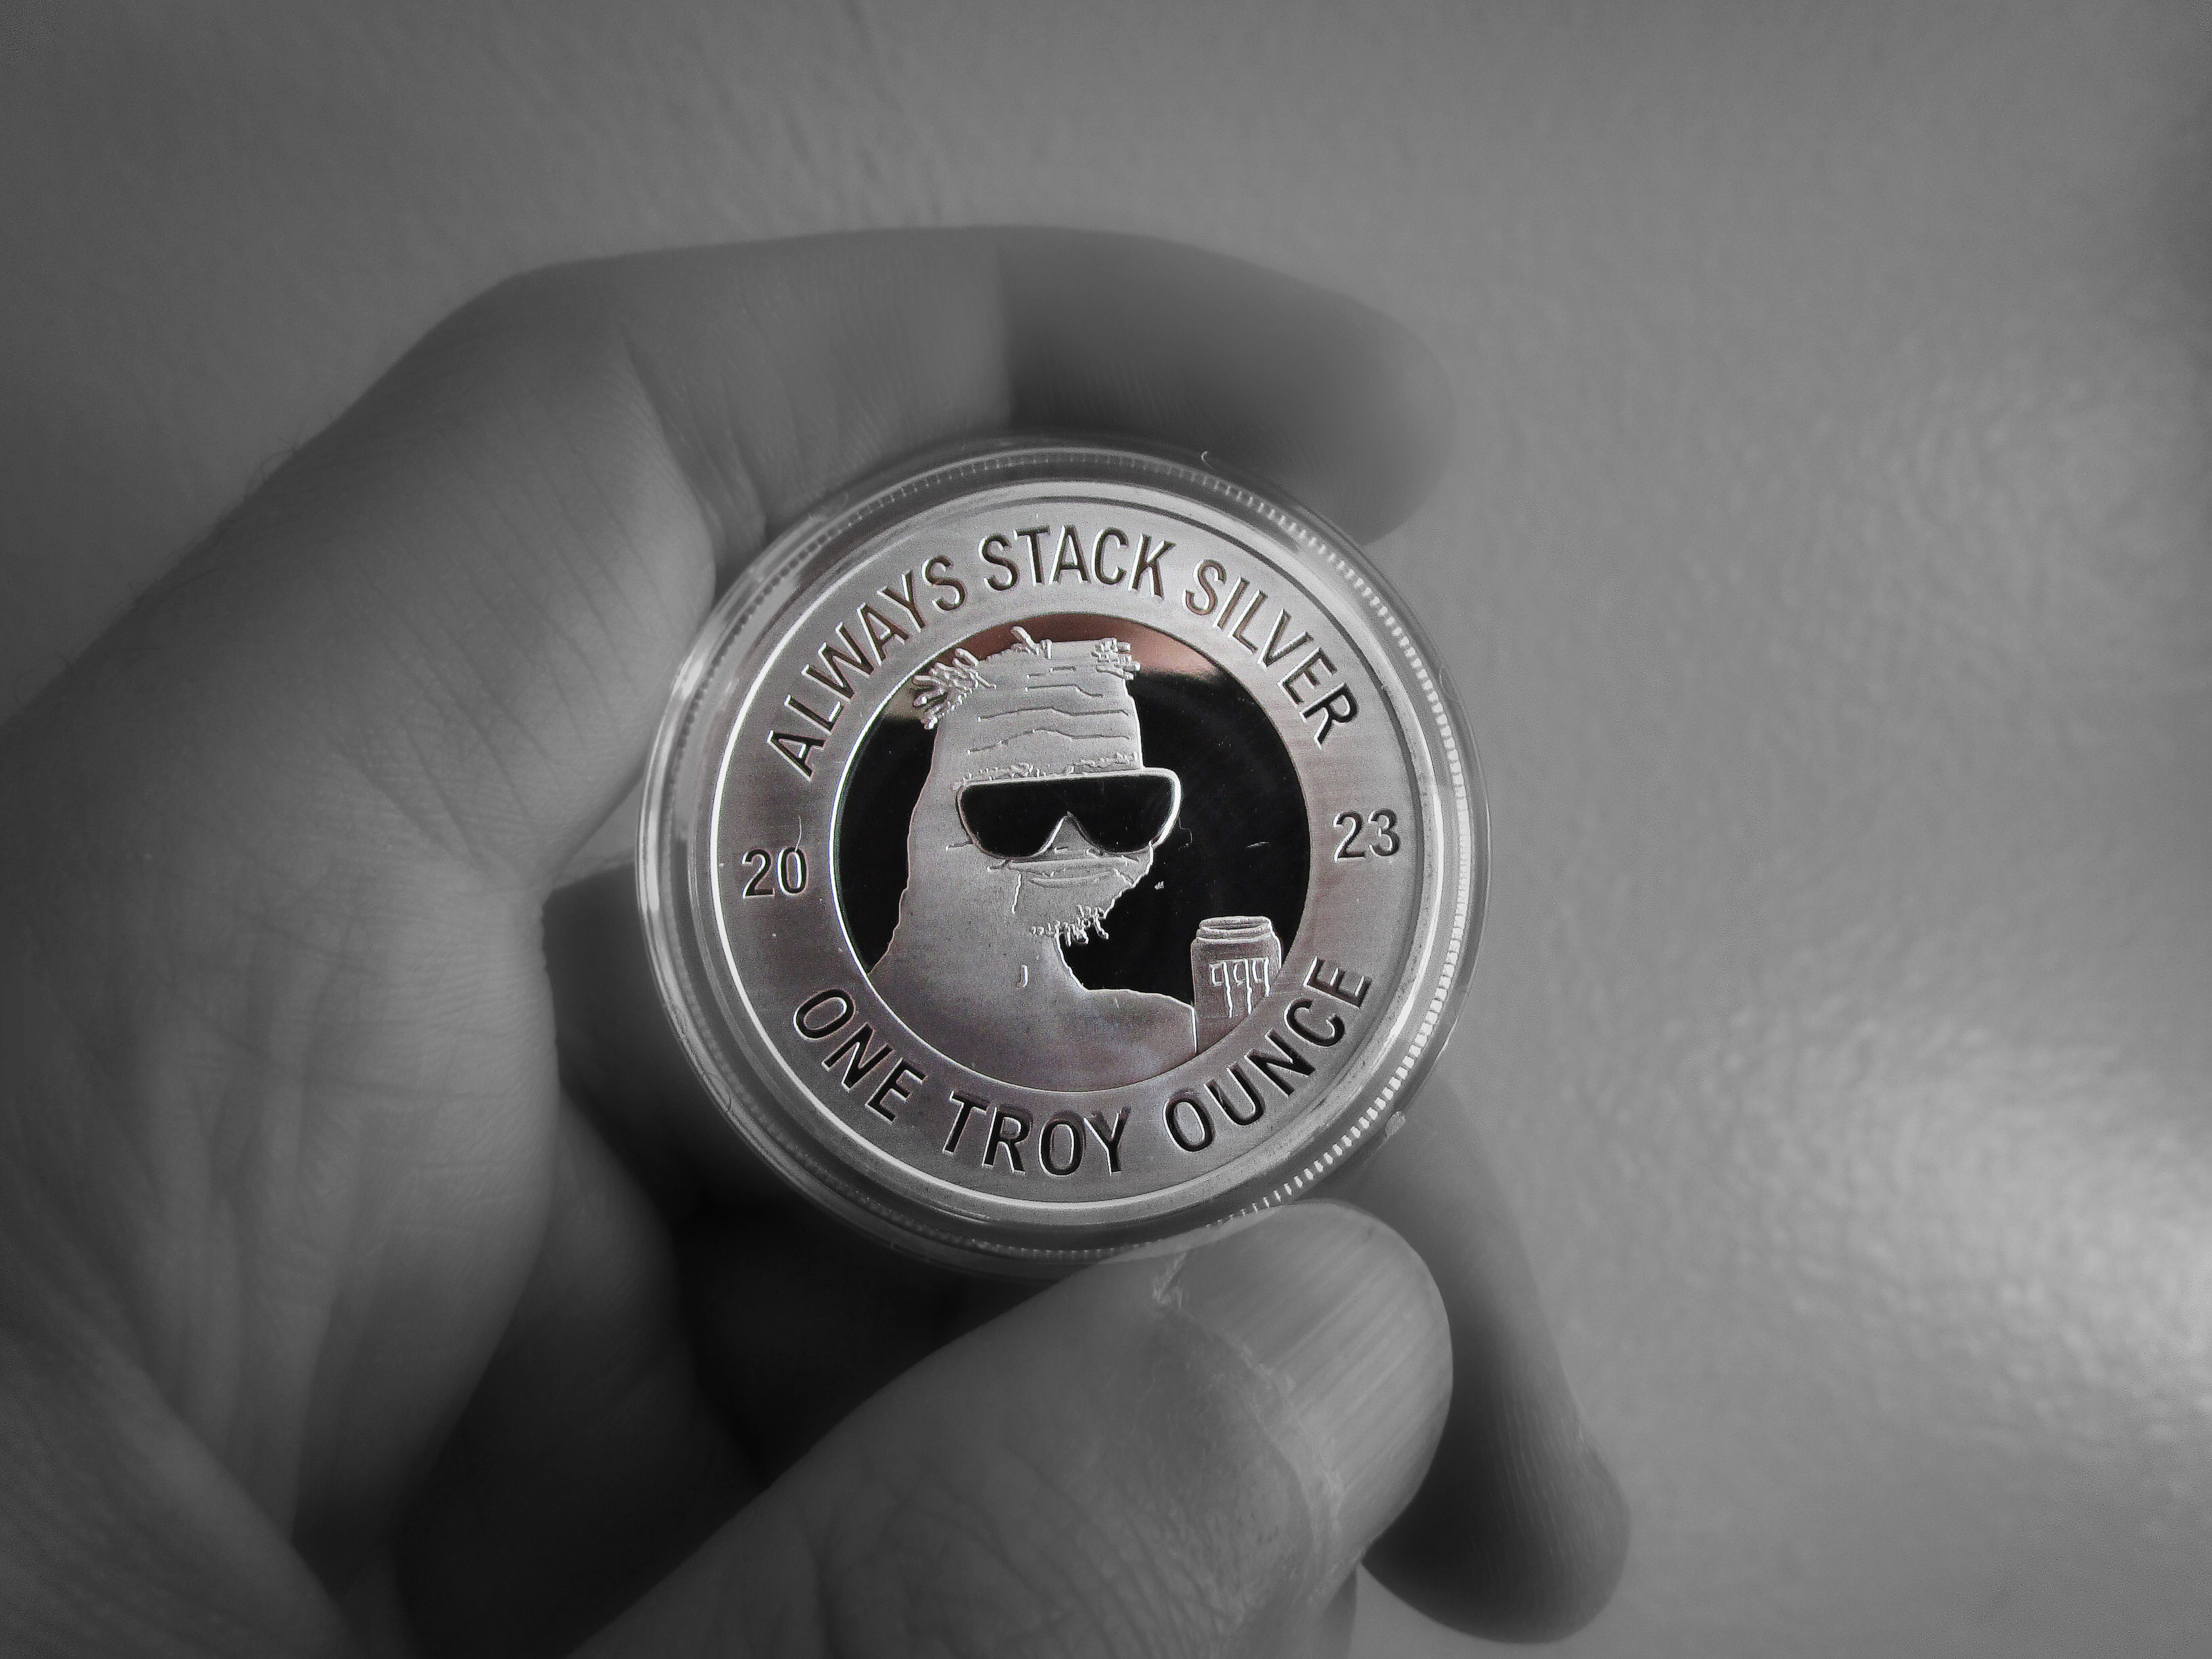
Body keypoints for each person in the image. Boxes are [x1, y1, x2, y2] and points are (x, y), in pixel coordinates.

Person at [0, 230, 1625, 1656]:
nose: (1098, 851)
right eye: (1021, 808)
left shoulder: (1163, 1031)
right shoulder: (849, 1027)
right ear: (915, 818)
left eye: (1132, 803)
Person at [873, 627, 1195, 1089]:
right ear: (931, 819)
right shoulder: (867, 1035)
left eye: (1119, 806)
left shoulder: (1170, 1036)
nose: (1071, 845)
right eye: (1015, 812)